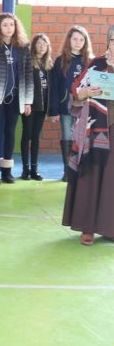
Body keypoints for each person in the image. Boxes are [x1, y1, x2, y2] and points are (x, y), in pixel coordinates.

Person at [63, 25, 114, 246]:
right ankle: (88, 227)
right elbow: (75, 90)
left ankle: (109, 227)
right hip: (96, 128)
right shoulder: (96, 63)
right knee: (91, 177)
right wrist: (87, 92)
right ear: (109, 41)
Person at [0, 13, 33, 184]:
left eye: (12, 25)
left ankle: (6, 171)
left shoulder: (23, 47)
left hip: (17, 96)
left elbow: (28, 74)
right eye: (5, 25)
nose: (9, 28)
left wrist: (28, 101)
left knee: (10, 132)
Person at [50, 25, 94, 181]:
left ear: (85, 42)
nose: (78, 42)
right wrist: (53, 110)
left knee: (81, 137)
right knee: (67, 136)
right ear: (69, 40)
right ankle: (68, 171)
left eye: (81, 40)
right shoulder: (60, 61)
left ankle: (80, 170)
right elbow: (54, 87)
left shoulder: (90, 61)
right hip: (65, 105)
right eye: (75, 39)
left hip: (84, 106)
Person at [20, 34, 54, 181]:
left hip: (42, 106)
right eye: (39, 43)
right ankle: (25, 170)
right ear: (34, 46)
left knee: (35, 137)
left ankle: (34, 169)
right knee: (27, 134)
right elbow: (24, 83)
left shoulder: (49, 65)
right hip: (30, 105)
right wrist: (26, 103)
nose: (42, 47)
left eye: (44, 44)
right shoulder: (28, 62)